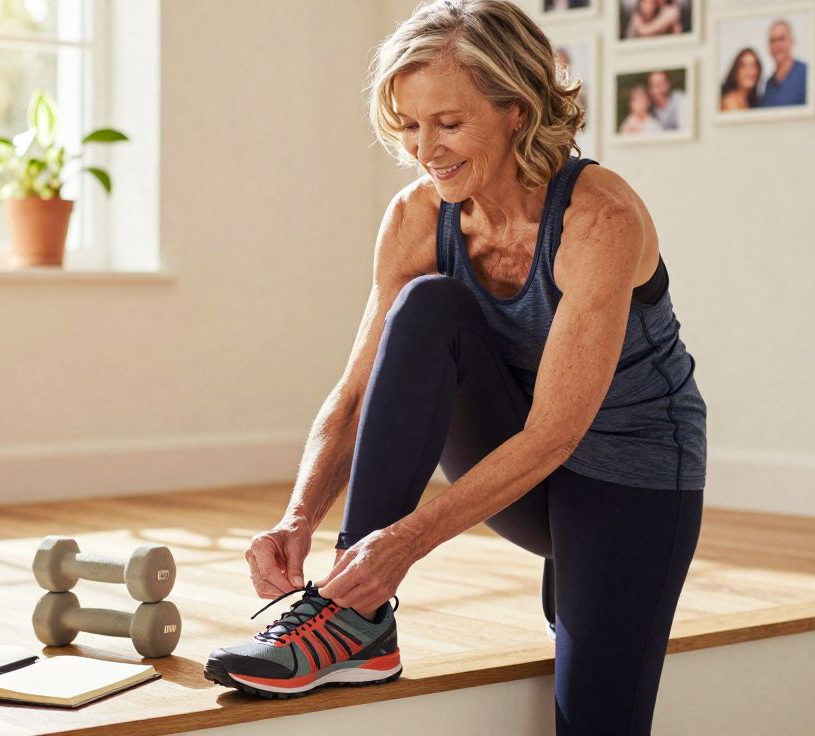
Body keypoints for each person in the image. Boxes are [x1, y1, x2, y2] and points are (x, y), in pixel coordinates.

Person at [206, 1, 706, 733]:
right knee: (427, 307)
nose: (424, 149)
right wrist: (299, 516)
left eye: (448, 123)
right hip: (516, 461)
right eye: (409, 125)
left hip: (630, 475)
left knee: (596, 720)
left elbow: (556, 434)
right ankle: (355, 620)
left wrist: (404, 545)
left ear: (517, 109)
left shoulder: (600, 220)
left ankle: (587, 570)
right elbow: (355, 395)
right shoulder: (417, 218)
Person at [759, 19, 807, 107]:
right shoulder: (769, 85)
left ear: (792, 41)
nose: (777, 45)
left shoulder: (806, 73)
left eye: (781, 39)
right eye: (773, 41)